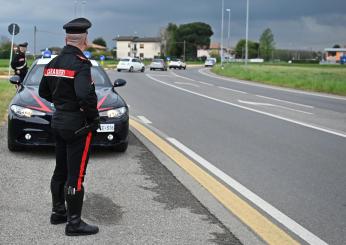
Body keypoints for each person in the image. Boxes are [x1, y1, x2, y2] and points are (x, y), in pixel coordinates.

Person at [39, 18, 100, 236]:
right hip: (77, 126)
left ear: (66, 38)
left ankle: (58, 213)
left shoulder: (52, 63)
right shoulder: (80, 64)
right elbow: (85, 95)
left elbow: (43, 93)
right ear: (85, 40)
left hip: (58, 122)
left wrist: (61, 103)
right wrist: (93, 118)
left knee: (60, 170)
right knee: (76, 175)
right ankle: (74, 223)